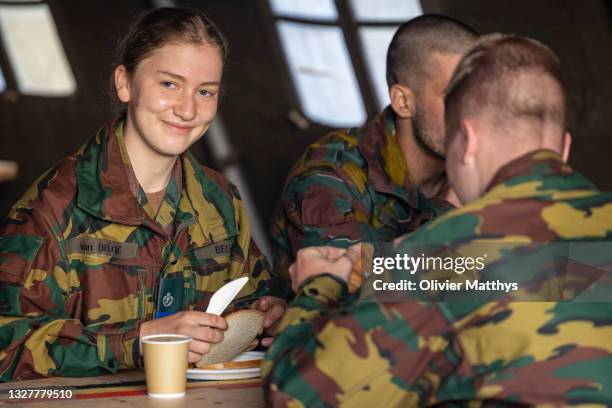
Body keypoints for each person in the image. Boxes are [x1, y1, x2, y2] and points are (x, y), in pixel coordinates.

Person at [262, 34, 612, 406]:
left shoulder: (445, 259)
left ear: (466, 142)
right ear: (564, 146)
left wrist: (321, 285)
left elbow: (296, 396)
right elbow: (555, 275)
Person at [0, 7, 285, 381]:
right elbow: (7, 344)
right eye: (169, 84)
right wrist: (137, 342)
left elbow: (249, 293)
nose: (187, 109)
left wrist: (266, 312)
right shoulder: (53, 208)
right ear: (125, 83)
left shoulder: (220, 200)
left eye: (205, 91)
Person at [270, 14, 479, 284]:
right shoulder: (329, 174)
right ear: (403, 101)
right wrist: (448, 213)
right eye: (455, 96)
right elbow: (352, 296)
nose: (475, 112)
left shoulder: (485, 159)